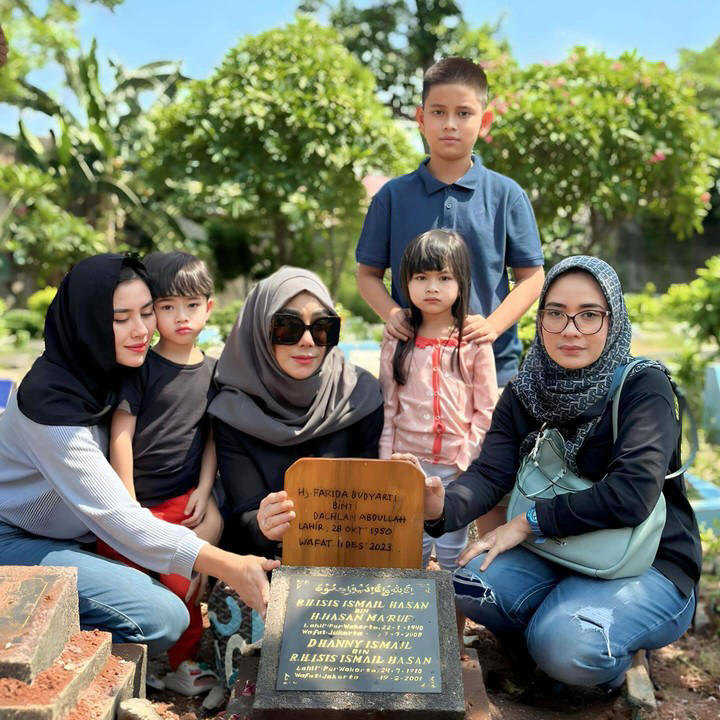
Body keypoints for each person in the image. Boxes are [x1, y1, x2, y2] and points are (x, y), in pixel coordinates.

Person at [414, 256, 702, 690]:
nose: (570, 329)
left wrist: (528, 523)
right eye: (556, 313)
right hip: (556, 552)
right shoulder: (527, 390)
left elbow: (630, 494)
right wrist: (442, 506)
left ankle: (594, 665)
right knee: (466, 585)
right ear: (541, 318)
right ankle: (554, 636)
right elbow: (491, 474)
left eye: (589, 315)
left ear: (614, 319)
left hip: (645, 562)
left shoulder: (644, 388)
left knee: (569, 646)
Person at [0, 254, 278, 660]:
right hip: (17, 537)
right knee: (160, 616)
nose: (141, 330)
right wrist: (228, 565)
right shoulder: (51, 405)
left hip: (78, 537)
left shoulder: (115, 372)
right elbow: (116, 514)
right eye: (120, 318)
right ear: (87, 321)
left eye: (147, 313)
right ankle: (29, 636)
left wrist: (211, 505)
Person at [356, 55, 544, 535]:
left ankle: (479, 599)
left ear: (484, 120)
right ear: (420, 119)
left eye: (463, 113)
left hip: (488, 369)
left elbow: (532, 277)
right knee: (411, 499)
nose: (450, 124)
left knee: (487, 492)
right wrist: (392, 311)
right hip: (413, 371)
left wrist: (493, 326)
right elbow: (367, 274)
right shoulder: (393, 197)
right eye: (438, 112)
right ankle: (414, 602)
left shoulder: (505, 195)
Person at [96, 251, 221, 695]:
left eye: (191, 305)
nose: (180, 317)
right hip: (130, 501)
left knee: (183, 581)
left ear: (209, 307)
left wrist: (205, 491)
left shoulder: (212, 372)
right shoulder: (142, 368)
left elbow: (210, 438)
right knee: (129, 583)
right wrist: (127, 505)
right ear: (153, 314)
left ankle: (182, 663)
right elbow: (121, 435)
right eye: (166, 308)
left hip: (179, 500)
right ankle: (131, 663)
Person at [209, 267, 384, 559]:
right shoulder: (234, 411)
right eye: (288, 327)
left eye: (322, 327)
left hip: (354, 560)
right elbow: (241, 516)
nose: (308, 341)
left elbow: (376, 501)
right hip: (268, 566)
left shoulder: (359, 396)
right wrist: (262, 525)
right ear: (260, 331)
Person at [379, 229, 497, 573]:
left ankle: (453, 628)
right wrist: (388, 461)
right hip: (406, 465)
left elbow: (485, 409)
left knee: (451, 554)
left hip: (455, 469)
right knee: (409, 550)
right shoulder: (398, 339)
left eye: (444, 277)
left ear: (461, 282)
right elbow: (388, 407)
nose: (432, 287)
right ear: (406, 282)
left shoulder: (473, 341)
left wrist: (464, 461)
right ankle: (409, 625)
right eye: (421, 277)